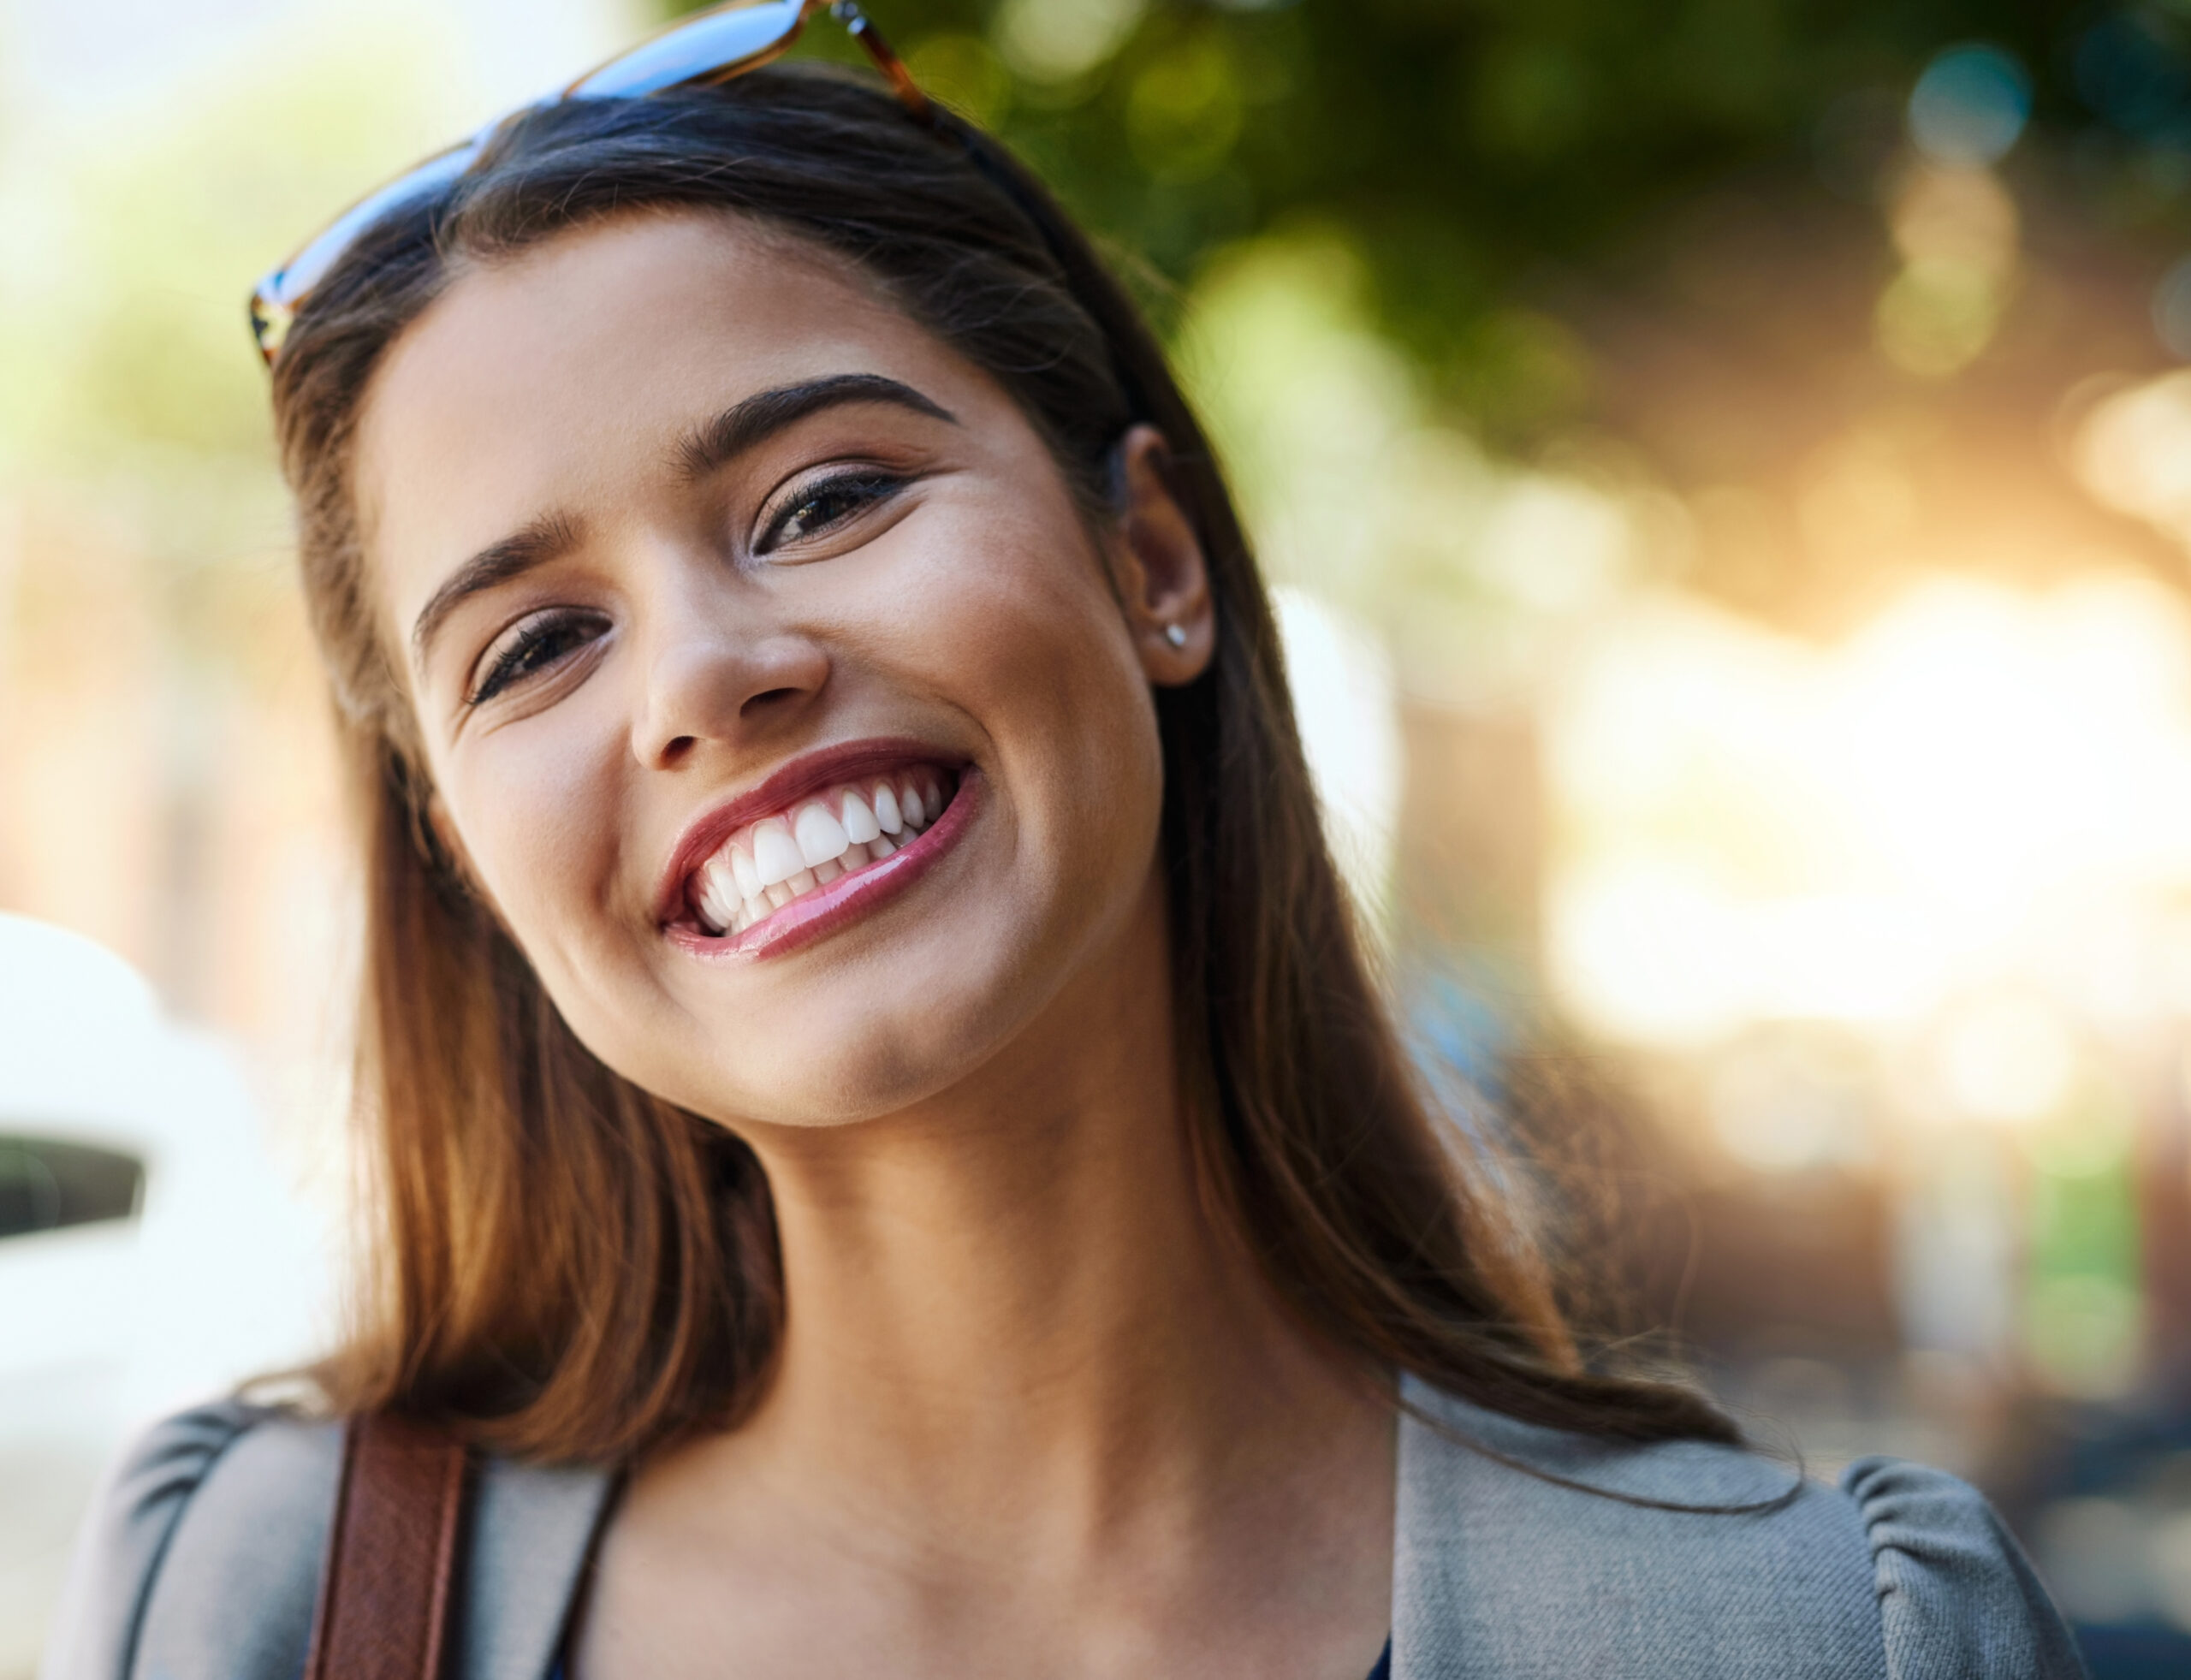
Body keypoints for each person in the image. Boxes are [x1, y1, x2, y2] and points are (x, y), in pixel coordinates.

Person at [45, 5, 2087, 1677]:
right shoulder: (270, 1600)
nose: (699, 678)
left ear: (1151, 562)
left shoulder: (1813, 1639)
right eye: (536, 644)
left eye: (823, 497)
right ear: (462, 853)